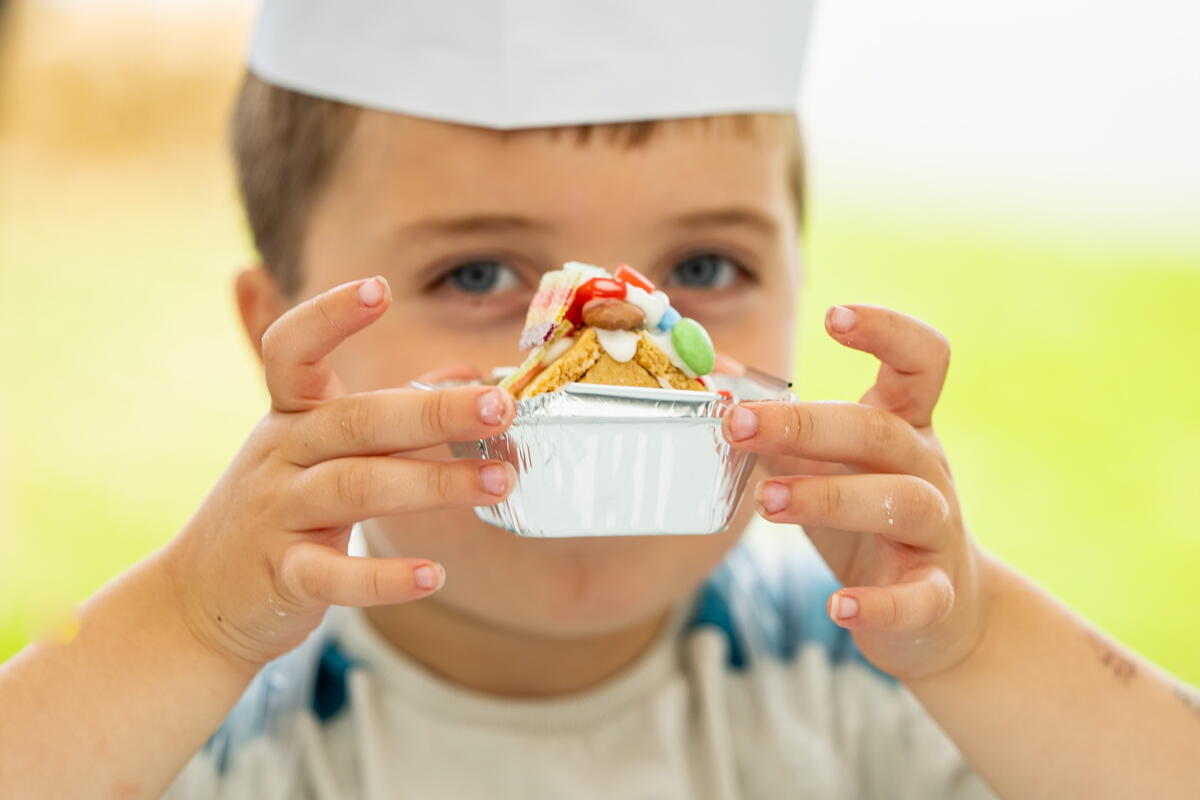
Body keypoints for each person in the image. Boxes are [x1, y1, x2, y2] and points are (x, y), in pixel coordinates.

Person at [2, 1, 1197, 797]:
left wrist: (978, 643)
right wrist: (189, 625)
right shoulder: (206, 723)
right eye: (477, 275)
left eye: (706, 268)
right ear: (280, 332)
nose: (610, 365)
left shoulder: (873, 687)